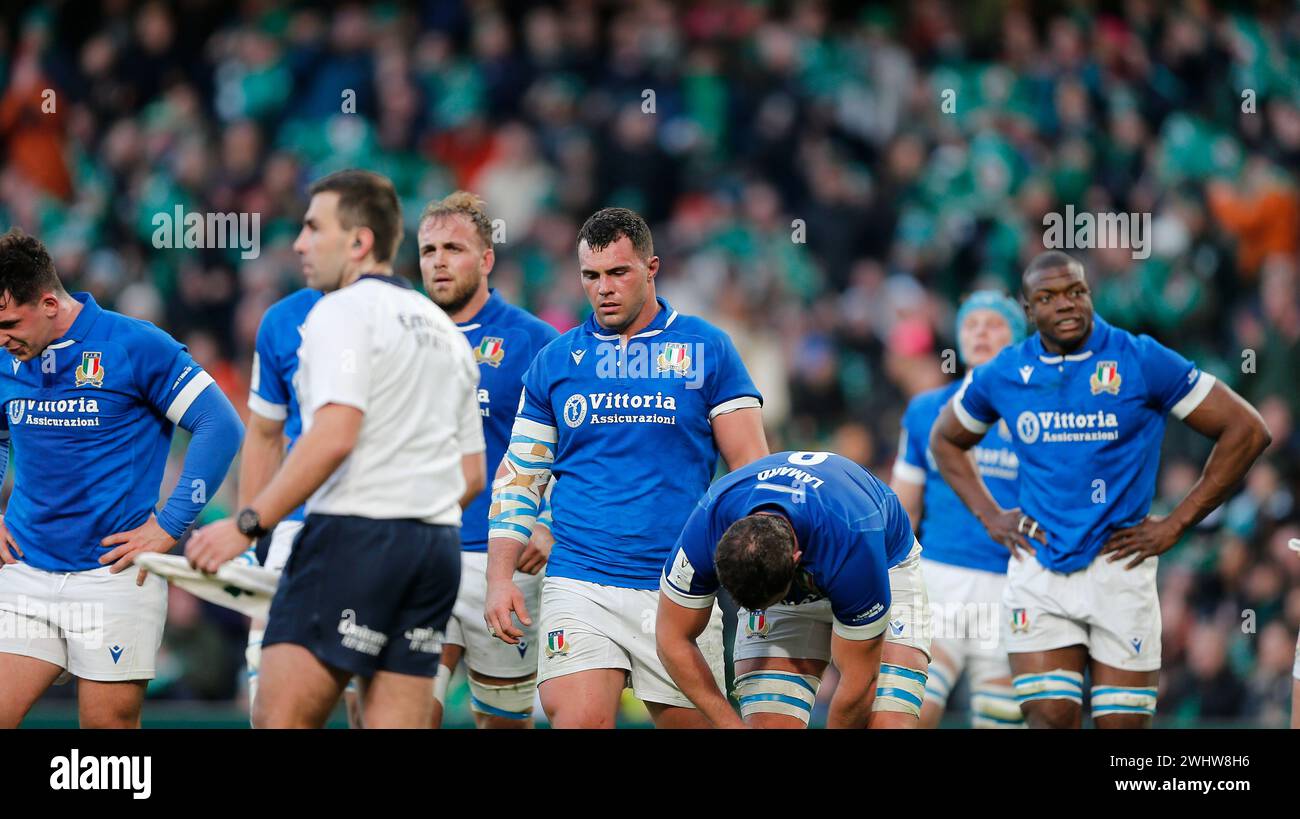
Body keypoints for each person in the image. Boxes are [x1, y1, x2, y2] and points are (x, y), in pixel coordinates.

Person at [186, 170, 486, 728]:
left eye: (313, 227)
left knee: (278, 719)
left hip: (354, 539)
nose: (299, 243)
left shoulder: (337, 311)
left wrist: (247, 524)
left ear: (359, 242)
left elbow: (333, 434)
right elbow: (471, 475)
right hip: (435, 551)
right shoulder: (444, 330)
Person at [930, 250, 1271, 728]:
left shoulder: (1141, 358)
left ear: (1090, 294)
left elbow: (1247, 429)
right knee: (1050, 718)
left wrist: (1177, 523)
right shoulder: (1005, 372)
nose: (1066, 304)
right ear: (1029, 312)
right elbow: (945, 437)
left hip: (1120, 568)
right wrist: (990, 515)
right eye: (1047, 297)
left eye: (1076, 291)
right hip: (1039, 570)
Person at [483, 207, 768, 728]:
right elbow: (520, 474)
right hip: (580, 581)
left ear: (652, 267)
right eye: (591, 276)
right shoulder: (555, 361)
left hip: (678, 588)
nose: (603, 289)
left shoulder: (706, 348)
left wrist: (757, 573)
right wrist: (499, 577)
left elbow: (752, 469)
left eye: (619, 273)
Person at [0, 227, 243, 728]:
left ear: (49, 303)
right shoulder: (6, 355)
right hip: (25, 569)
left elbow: (220, 425)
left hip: (112, 576)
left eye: (7, 322)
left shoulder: (135, 345)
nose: (1, 338)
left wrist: (170, 524)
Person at [659, 451, 931, 728]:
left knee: (890, 721)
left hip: (882, 565)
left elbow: (861, 681)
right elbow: (672, 640)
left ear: (796, 560)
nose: (756, 612)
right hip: (803, 564)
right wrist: (731, 724)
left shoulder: (853, 540)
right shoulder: (708, 521)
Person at [417, 190, 558, 728]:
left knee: (501, 722)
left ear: (486, 259)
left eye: (453, 248)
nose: (439, 261)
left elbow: (575, 447)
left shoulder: (534, 341)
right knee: (404, 714)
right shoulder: (404, 335)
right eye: (428, 250)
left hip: (502, 560)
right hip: (422, 551)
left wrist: (547, 523)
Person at [891, 291, 1026, 728]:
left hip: (1010, 585)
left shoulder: (1037, 417)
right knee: (908, 712)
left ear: (1018, 340)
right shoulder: (927, 410)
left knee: (998, 720)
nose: (981, 332)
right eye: (971, 324)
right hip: (936, 581)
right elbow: (902, 511)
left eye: (994, 324)